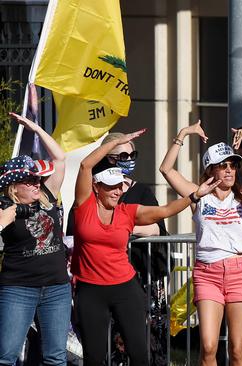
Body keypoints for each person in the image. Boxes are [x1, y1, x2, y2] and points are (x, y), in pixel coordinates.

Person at [72, 129, 219, 366]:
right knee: (95, 357)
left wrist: (194, 196)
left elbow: (165, 211)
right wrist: (116, 143)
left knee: (140, 355)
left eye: (120, 186)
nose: (117, 191)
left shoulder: (126, 212)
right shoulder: (84, 206)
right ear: (96, 187)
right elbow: (84, 166)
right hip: (90, 291)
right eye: (110, 186)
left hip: (125, 288)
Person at [159, 120, 242, 366]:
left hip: (239, 273)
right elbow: (166, 170)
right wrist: (182, 134)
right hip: (207, 274)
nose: (229, 170)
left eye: (232, 165)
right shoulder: (198, 196)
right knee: (209, 347)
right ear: (210, 170)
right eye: (222, 166)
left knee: (237, 350)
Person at [66, 132, 170, 365]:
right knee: (98, 352)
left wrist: (122, 229)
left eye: (132, 154)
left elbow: (157, 227)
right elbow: (76, 228)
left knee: (141, 349)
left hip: (136, 277)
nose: (129, 159)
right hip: (94, 283)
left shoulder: (140, 191)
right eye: (122, 154)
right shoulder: (89, 193)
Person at [0, 113, 68, 366]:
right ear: (13, 187)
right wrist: (4, 220)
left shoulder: (48, 195)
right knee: (6, 356)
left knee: (55, 358)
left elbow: (60, 158)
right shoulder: (4, 208)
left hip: (57, 289)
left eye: (36, 178)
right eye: (28, 180)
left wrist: (35, 128)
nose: (36, 183)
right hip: (18, 289)